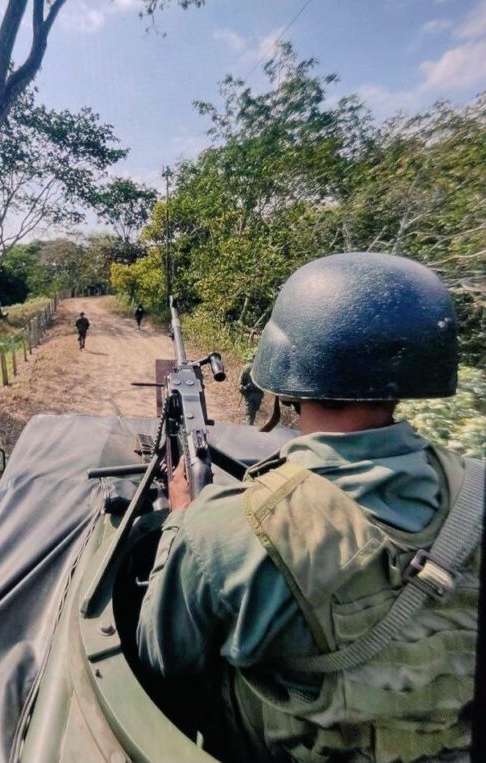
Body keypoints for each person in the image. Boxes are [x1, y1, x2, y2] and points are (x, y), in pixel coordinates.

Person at [136, 252, 483, 761]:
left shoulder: (227, 529)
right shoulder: (474, 492)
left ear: (286, 371)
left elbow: (161, 656)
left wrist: (182, 518)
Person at [238, 353, 263, 425]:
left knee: (249, 415)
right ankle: (250, 426)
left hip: (249, 394)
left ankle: (248, 430)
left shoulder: (246, 367)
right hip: (258, 395)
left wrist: (242, 389)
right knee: (253, 413)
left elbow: (240, 382)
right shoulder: (263, 368)